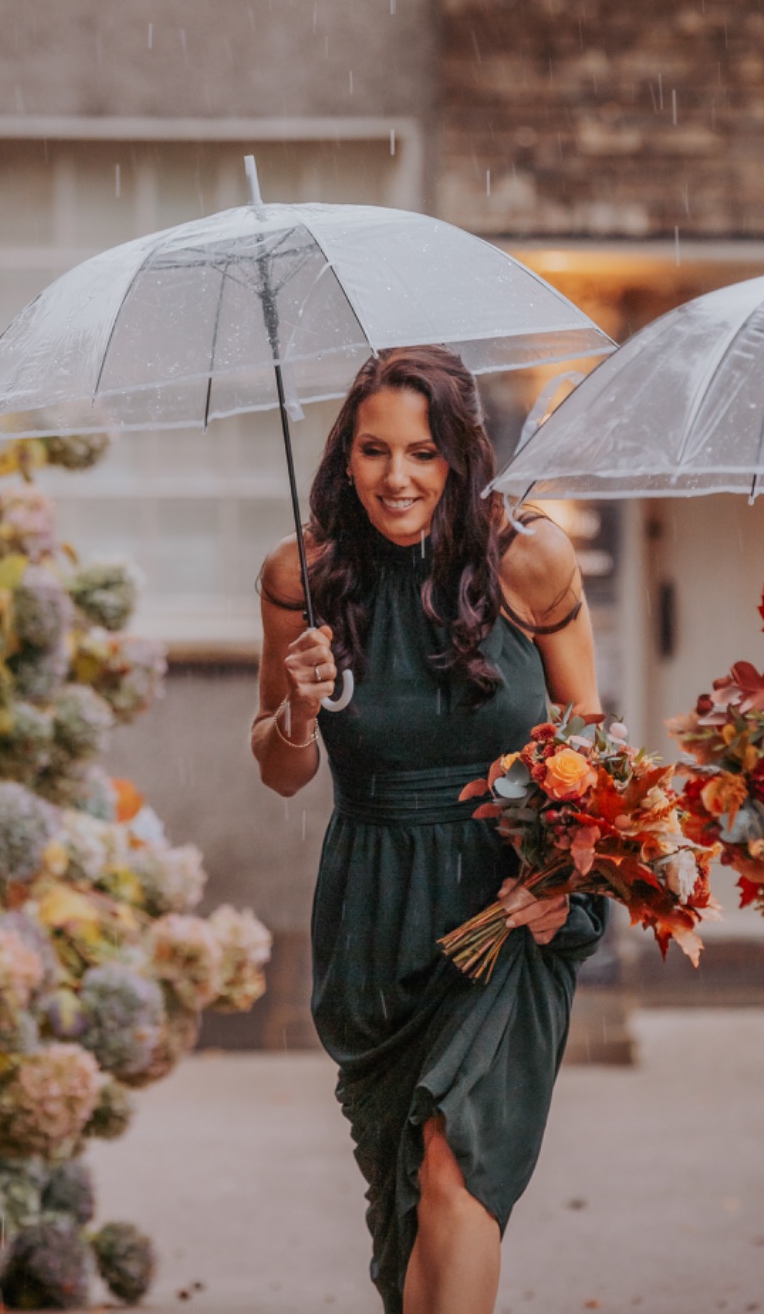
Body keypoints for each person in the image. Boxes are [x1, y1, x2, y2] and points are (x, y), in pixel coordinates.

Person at [250, 346, 603, 1314]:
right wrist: (297, 706)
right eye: (373, 450)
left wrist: (561, 877)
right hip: (374, 909)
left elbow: (593, 742)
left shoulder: (528, 559)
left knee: (457, 1170)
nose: (396, 476)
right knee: (405, 1197)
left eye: (423, 450)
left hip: (506, 902)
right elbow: (282, 770)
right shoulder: (301, 576)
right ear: (344, 456)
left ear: (460, 457)